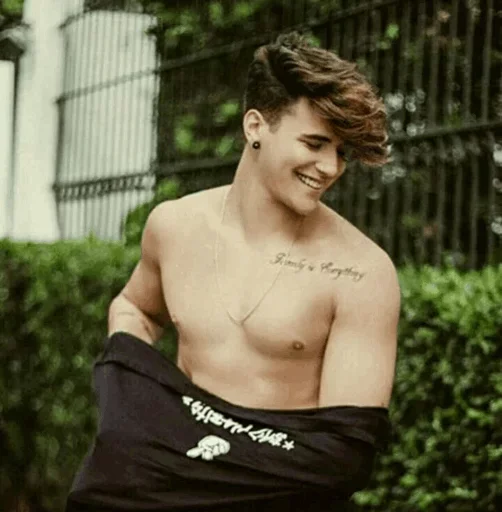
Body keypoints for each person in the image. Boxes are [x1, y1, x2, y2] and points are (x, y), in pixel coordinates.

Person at [66, 32, 401, 512]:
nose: (330, 167)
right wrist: (131, 404)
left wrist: (190, 458)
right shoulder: (175, 226)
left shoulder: (360, 272)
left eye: (342, 152)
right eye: (315, 143)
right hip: (164, 495)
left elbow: (340, 457)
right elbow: (135, 309)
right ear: (255, 126)